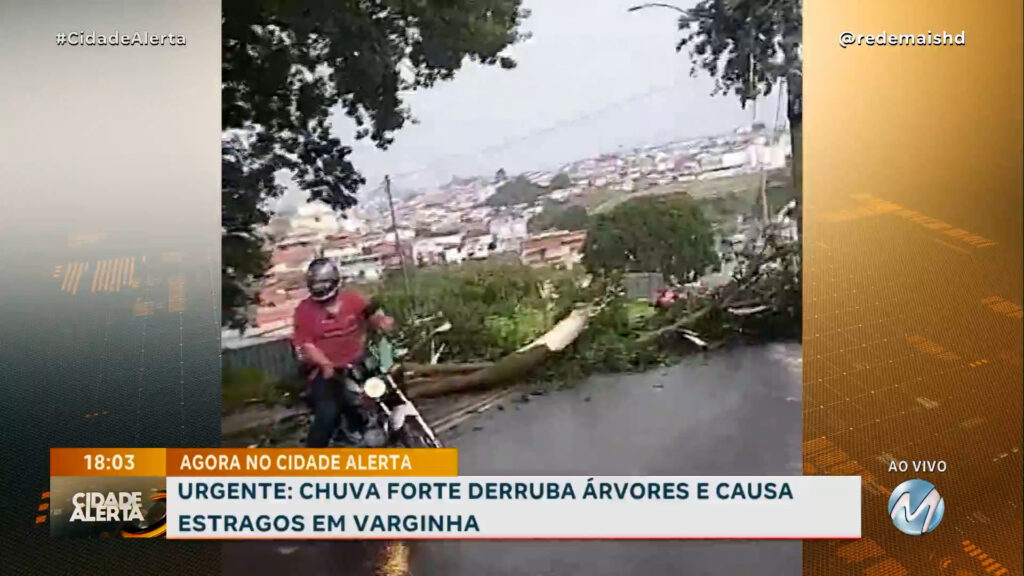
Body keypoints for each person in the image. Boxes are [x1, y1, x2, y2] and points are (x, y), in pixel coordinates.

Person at [292, 258, 395, 448]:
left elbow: (371, 316)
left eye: (324, 283)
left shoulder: (352, 300)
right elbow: (306, 344)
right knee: (328, 413)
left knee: (390, 387)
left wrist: (382, 322)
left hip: (359, 363)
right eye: (316, 284)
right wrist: (325, 364)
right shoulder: (304, 311)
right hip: (327, 373)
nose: (321, 288)